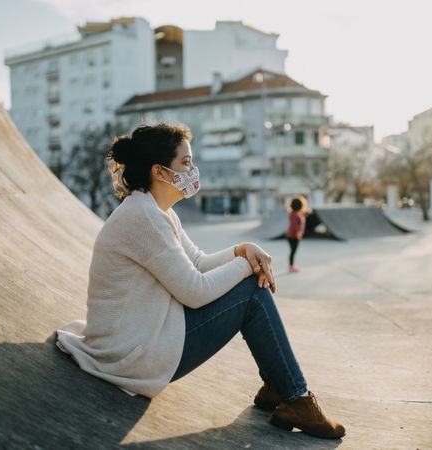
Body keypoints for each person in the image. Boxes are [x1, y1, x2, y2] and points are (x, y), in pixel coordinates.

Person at [56, 123, 345, 439]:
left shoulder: (157, 211)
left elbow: (198, 263)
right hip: (134, 357)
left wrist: (241, 250)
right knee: (251, 293)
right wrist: (247, 268)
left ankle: (280, 386)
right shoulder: (144, 217)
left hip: (140, 341)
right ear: (160, 171)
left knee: (247, 285)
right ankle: (296, 397)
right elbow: (195, 291)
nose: (193, 170)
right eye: (186, 162)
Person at [285, 196, 307, 273]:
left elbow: (302, 215)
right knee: (293, 251)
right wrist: (298, 232)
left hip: (293, 235)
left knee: (293, 251)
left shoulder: (295, 213)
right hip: (292, 236)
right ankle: (291, 267)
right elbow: (294, 224)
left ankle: (292, 266)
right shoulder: (294, 214)